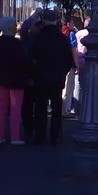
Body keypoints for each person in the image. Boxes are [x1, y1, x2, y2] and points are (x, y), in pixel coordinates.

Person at [30, 10, 74, 144]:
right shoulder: (63, 39)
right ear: (56, 21)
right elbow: (69, 60)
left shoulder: (38, 38)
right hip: (57, 78)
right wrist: (62, 73)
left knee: (40, 108)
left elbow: (31, 58)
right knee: (56, 109)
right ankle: (55, 135)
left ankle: (40, 135)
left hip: (40, 77)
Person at [0, 16, 28, 145]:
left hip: (1, 78)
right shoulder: (17, 43)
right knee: (15, 109)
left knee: (1, 109)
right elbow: (23, 61)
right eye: (14, 25)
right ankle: (15, 137)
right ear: (9, 27)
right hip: (16, 80)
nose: (15, 27)